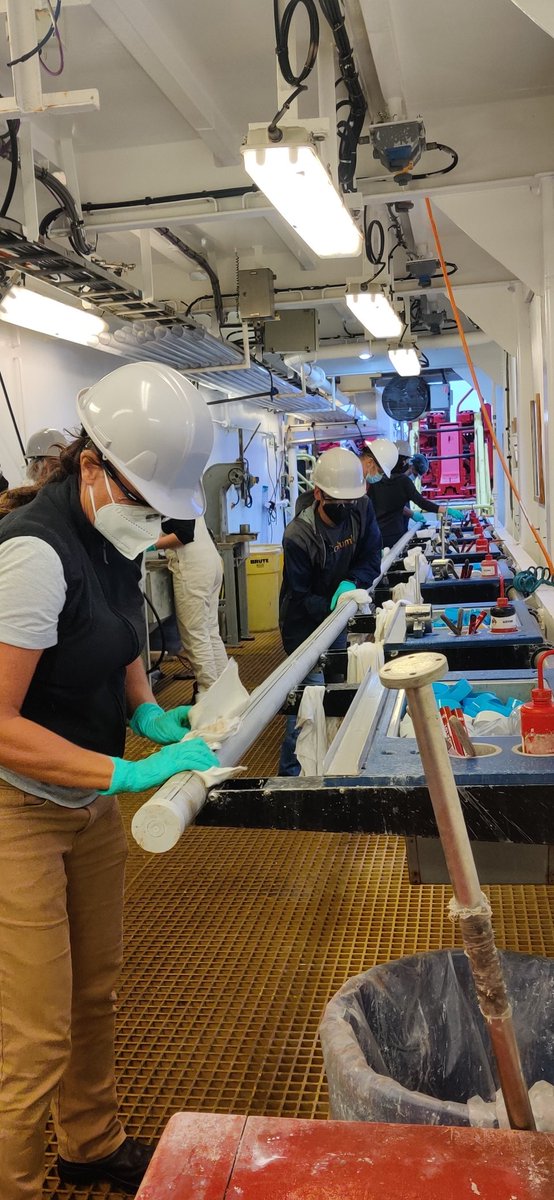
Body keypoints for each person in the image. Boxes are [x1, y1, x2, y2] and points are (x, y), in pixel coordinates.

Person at [0, 361, 219, 1199]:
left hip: (86, 795)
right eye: (142, 495)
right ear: (91, 465)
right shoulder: (32, 554)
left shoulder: (113, 537)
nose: (150, 519)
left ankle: (88, 1142)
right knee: (34, 1030)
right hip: (20, 806)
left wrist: (149, 713)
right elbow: (3, 722)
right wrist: (130, 769)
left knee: (96, 989)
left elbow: (123, 637)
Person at [278, 447, 382, 775]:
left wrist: (351, 582)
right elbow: (300, 594)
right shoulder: (299, 536)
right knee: (308, 697)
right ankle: (291, 774)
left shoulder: (361, 508)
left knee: (336, 687)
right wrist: (331, 607)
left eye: (349, 502)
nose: (344, 508)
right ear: (318, 493)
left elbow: (372, 556)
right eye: (337, 502)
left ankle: (333, 762)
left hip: (337, 614)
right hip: (303, 622)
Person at [156, 514, 228, 693]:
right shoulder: (186, 489)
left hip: (193, 566)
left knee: (196, 637)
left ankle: (211, 700)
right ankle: (226, 693)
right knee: (210, 632)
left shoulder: (171, 492)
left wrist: (146, 544)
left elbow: (184, 534)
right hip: (210, 561)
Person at [360, 438, 463, 548]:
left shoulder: (376, 480)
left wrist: (411, 514)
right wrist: (445, 510)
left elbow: (387, 504)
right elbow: (421, 502)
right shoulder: (403, 482)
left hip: (375, 534)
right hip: (394, 535)